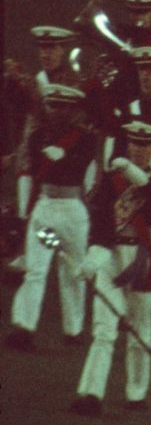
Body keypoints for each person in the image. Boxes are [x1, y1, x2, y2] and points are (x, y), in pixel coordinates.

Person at [72, 121, 151, 416]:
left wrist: (130, 172)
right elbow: (102, 219)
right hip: (112, 255)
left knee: (141, 329)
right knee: (104, 329)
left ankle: (136, 391)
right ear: (128, 145)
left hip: (144, 260)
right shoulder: (111, 179)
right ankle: (91, 393)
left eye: (145, 145)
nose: (139, 150)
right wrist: (95, 255)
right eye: (134, 144)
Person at [7, 84, 97, 351]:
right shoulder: (37, 137)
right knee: (36, 270)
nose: (58, 112)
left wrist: (63, 156)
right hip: (46, 207)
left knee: (73, 270)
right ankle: (24, 327)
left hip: (72, 208)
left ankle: (74, 328)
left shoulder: (87, 139)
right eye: (53, 106)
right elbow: (35, 170)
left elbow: (80, 169)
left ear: (74, 110)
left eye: (64, 107)